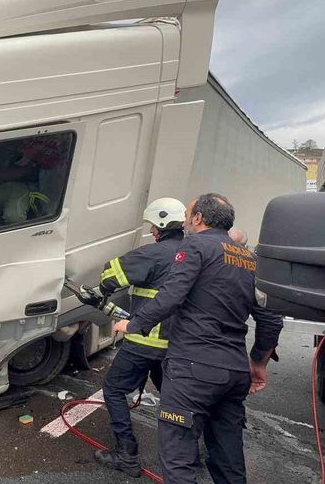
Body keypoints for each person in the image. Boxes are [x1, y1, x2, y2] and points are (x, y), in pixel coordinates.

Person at [114, 193, 283, 484]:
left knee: (179, 460)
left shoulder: (195, 245)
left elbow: (171, 295)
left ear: (198, 218)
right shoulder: (248, 257)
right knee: (229, 460)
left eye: (189, 214)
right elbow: (270, 317)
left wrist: (133, 325)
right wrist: (258, 362)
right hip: (234, 372)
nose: (186, 221)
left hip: (193, 369)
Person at [92, 197, 187, 477]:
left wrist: (103, 285)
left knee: (113, 389)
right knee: (173, 397)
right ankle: (185, 455)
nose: (151, 232)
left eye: (152, 226)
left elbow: (111, 276)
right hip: (176, 344)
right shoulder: (193, 253)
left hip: (145, 341)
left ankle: (127, 454)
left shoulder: (153, 254)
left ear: (159, 225)